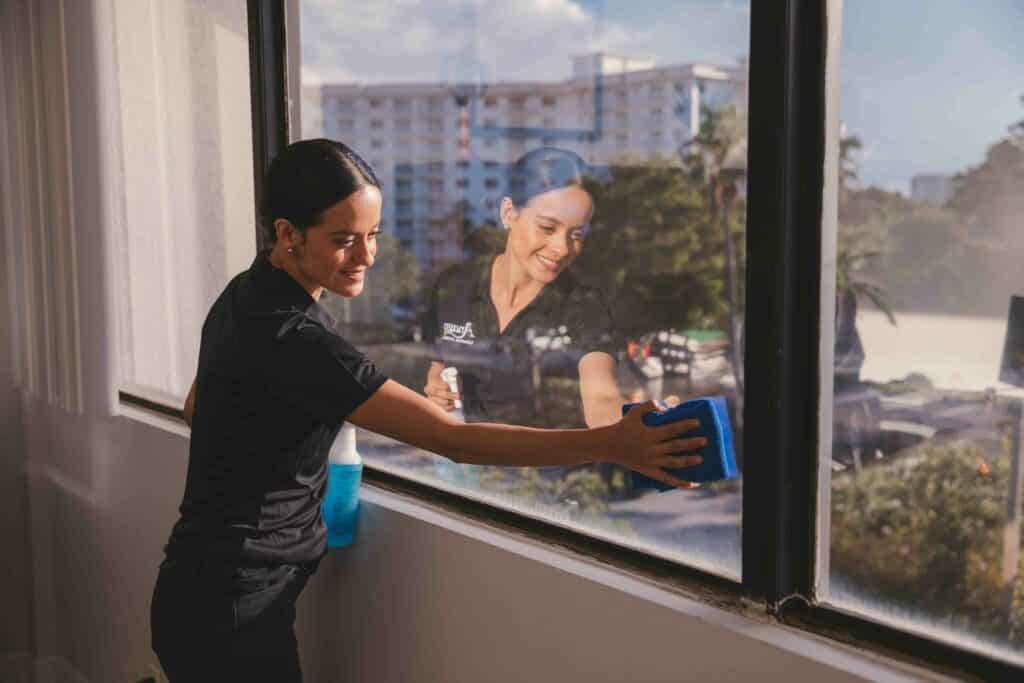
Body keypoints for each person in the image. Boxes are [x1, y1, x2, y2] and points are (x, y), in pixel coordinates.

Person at [150, 139, 705, 682]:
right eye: (344, 239)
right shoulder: (297, 339)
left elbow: (201, 406)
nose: (367, 256)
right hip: (233, 613)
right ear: (287, 234)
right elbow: (453, 441)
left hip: (204, 591)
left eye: (373, 235)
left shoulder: (246, 294)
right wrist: (610, 443)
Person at [422, 147, 625, 429]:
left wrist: (637, 425)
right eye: (547, 228)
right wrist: (437, 389)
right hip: (469, 460)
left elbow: (601, 397)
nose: (561, 248)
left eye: (576, 235)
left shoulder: (584, 303)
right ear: (509, 213)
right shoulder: (454, 286)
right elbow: (437, 365)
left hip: (549, 466)